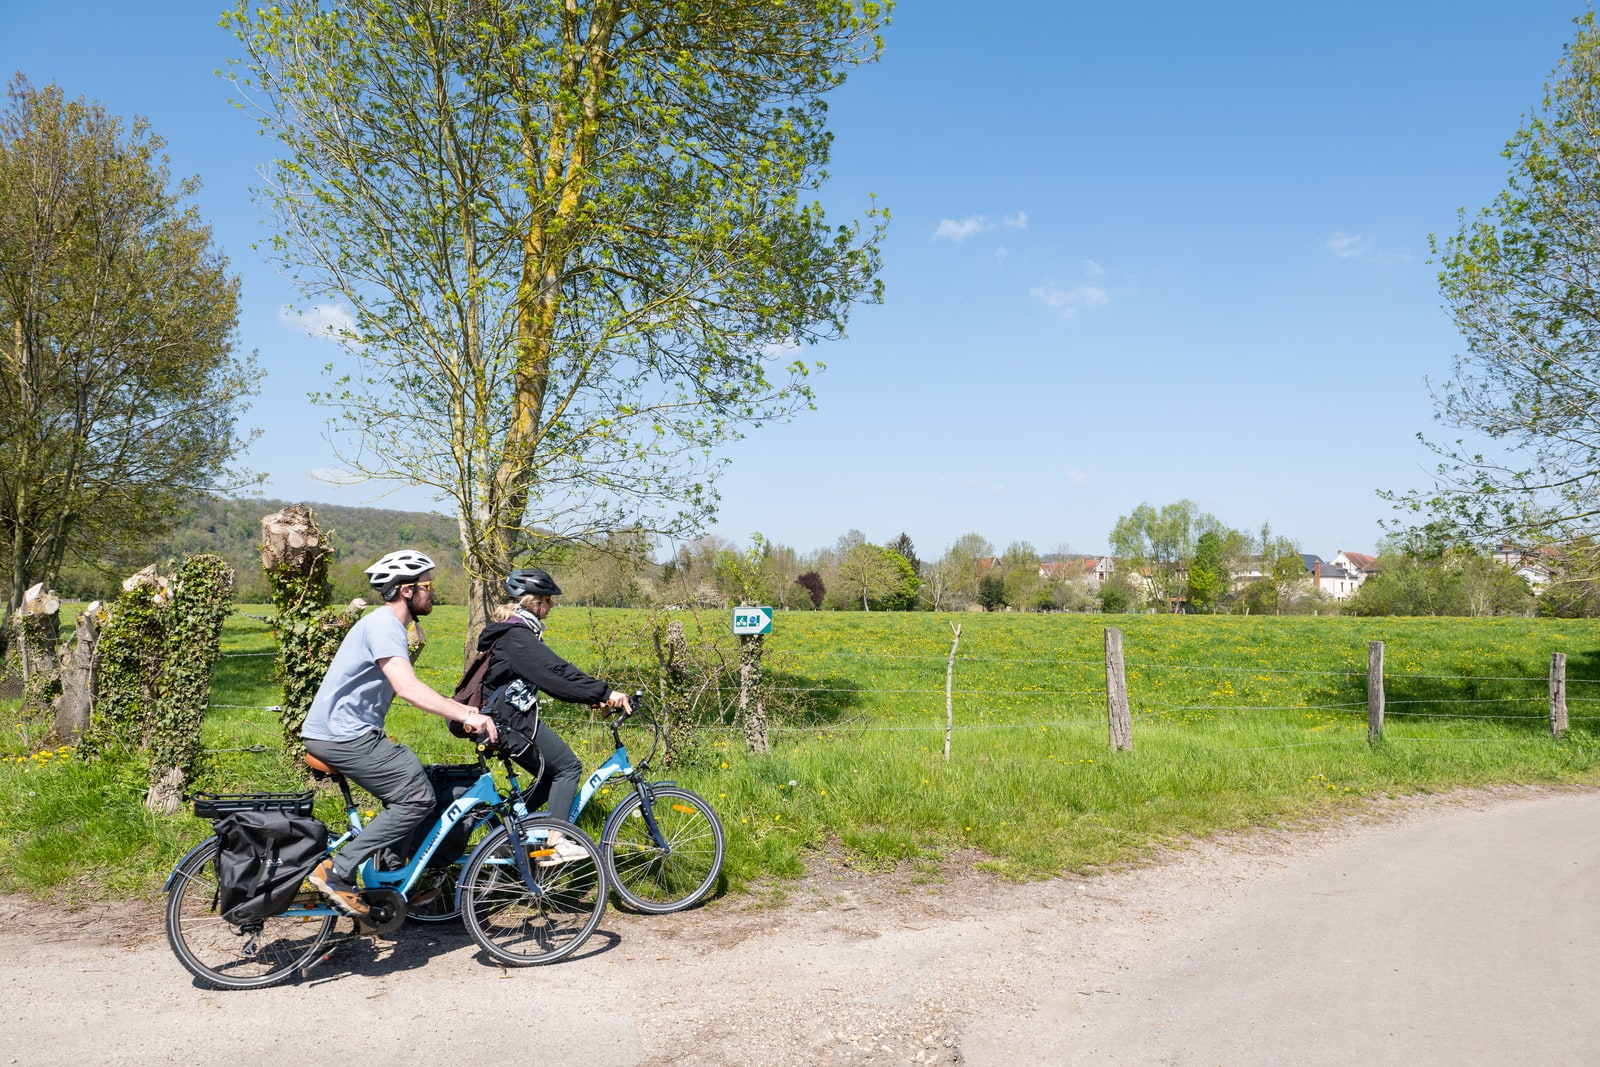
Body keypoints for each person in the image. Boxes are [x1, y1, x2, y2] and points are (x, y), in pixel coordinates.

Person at [303, 550, 498, 918]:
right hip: (341, 736)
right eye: (427, 585)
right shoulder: (384, 626)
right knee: (416, 797)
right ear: (406, 590)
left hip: (344, 733)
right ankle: (338, 870)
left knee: (415, 782)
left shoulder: (384, 624)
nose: (432, 592)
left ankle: (389, 879)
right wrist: (466, 712)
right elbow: (407, 687)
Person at [476, 566, 631, 864]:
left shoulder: (515, 631)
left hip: (508, 719)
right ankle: (556, 842)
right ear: (532, 601)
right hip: (511, 722)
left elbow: (555, 671)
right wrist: (604, 693)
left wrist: (594, 694)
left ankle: (507, 829)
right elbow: (555, 674)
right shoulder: (517, 637)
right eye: (548, 601)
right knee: (568, 768)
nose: (550, 608)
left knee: (550, 775)